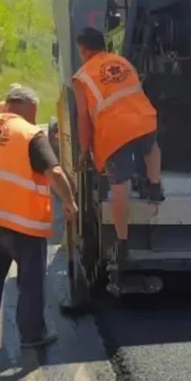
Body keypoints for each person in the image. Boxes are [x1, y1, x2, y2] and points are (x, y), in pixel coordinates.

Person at [0, 86, 78, 348]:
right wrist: (69, 202)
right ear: (28, 108)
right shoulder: (29, 134)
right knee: (30, 280)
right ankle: (32, 334)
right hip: (23, 220)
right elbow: (55, 172)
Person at [71, 27, 164, 268]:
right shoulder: (123, 62)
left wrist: (84, 151)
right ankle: (155, 186)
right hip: (143, 119)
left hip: (115, 133)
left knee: (120, 186)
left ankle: (123, 243)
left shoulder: (82, 76)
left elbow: (83, 116)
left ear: (83, 50)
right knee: (151, 148)